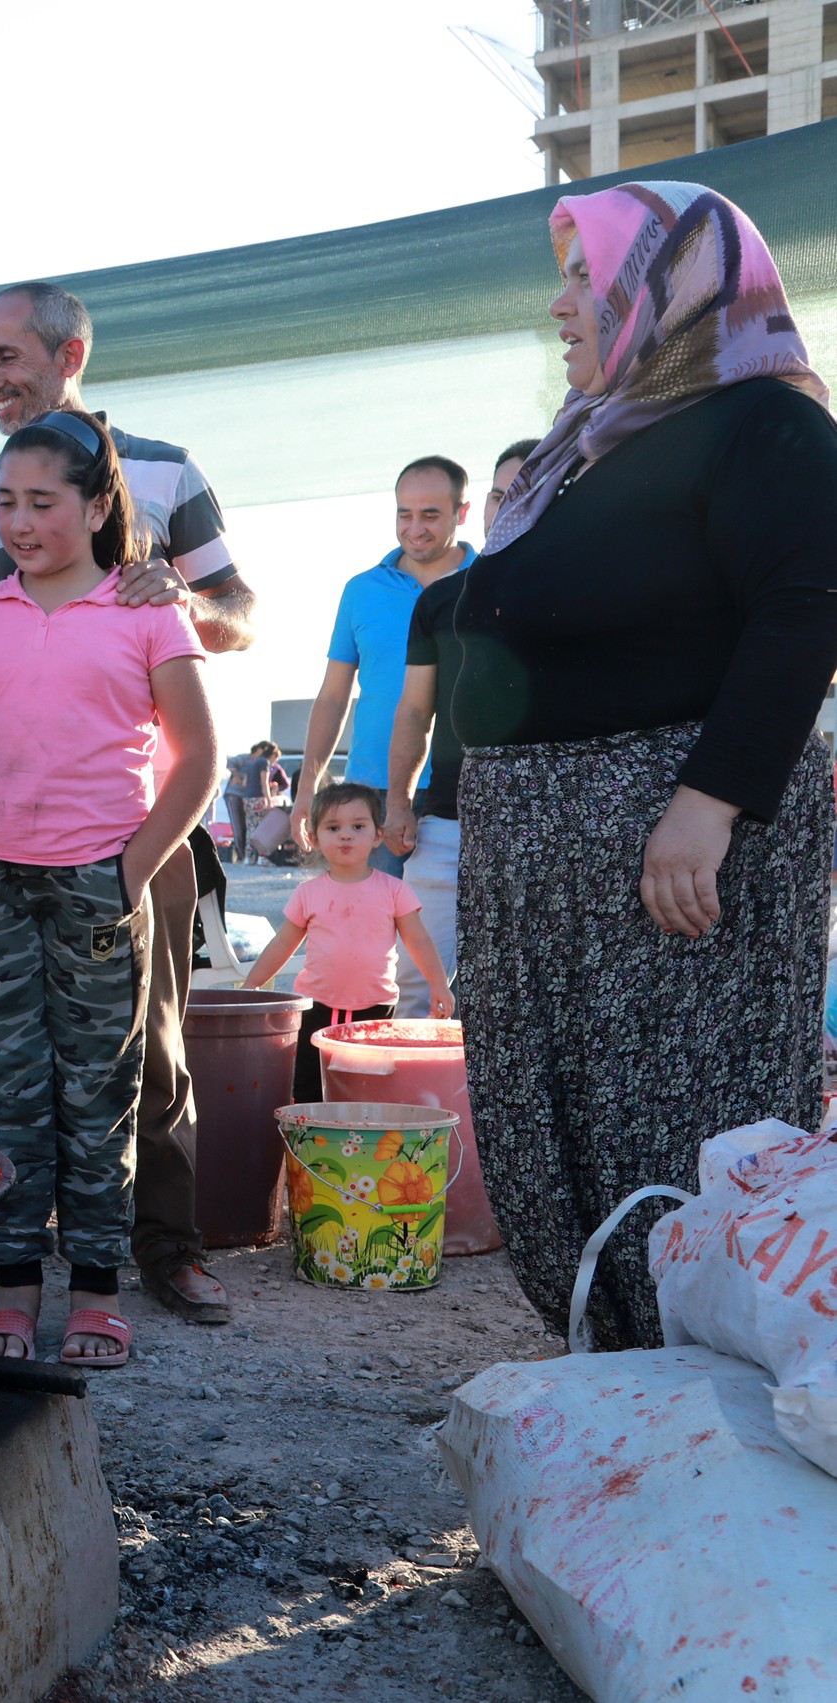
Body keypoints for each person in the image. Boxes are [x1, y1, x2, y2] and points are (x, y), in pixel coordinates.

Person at [453, 182, 837, 1350]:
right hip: (545, 848)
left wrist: (708, 803)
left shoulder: (761, 423)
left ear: (665, 291)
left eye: (582, 276)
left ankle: (696, 1385)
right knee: (547, 1125)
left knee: (668, 1122)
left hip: (663, 839)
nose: (559, 303)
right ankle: (608, 1365)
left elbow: (805, 608)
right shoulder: (589, 445)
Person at [0, 281, 258, 1329]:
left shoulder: (165, 469)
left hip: (128, 826)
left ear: (69, 354)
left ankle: (159, 1250)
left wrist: (180, 599)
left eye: (9, 355)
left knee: (140, 1050)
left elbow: (236, 614)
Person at [383, 440, 536, 1013]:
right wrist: (399, 801)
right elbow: (414, 711)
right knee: (419, 988)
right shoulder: (441, 600)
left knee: (522, 998)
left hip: (544, 828)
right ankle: (415, 1101)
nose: (507, 506)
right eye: (499, 494)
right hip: (446, 822)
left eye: (521, 492)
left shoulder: (591, 594)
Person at [292, 459, 474, 892]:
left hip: (463, 791)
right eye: (403, 513)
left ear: (461, 513)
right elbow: (333, 697)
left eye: (430, 514)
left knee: (454, 941)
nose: (415, 527)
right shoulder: (362, 590)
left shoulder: (487, 583)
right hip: (371, 793)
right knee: (371, 938)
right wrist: (306, 790)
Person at [243, 783, 452, 1097]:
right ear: (313, 838)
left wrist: (439, 983)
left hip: (376, 1007)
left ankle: (362, 1142)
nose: (345, 834)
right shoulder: (307, 894)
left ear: (377, 835)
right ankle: (311, 1141)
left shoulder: (394, 891)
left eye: (358, 826)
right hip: (315, 1005)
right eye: (333, 827)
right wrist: (252, 986)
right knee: (307, 1085)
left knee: (369, 1087)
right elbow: (283, 944)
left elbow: (418, 940)